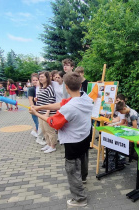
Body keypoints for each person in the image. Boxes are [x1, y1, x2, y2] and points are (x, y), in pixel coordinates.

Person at [29, 72, 93, 207]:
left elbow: (54, 122)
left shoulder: (69, 108)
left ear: (66, 88)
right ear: (80, 85)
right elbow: (60, 104)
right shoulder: (85, 97)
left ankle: (80, 198)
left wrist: (37, 113)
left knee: (71, 168)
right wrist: (41, 107)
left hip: (73, 141)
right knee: (83, 158)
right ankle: (83, 178)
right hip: (85, 136)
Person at [36, 71, 57, 153]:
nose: (40, 78)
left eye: (42, 77)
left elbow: (51, 100)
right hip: (40, 112)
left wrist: (47, 112)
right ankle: (48, 144)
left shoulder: (49, 88)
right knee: (43, 129)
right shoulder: (41, 88)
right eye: (40, 77)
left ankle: (53, 145)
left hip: (47, 113)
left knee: (49, 130)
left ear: (47, 78)